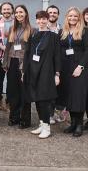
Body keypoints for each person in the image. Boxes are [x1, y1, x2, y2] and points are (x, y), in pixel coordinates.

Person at [23, 11, 61, 139]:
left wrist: (57, 74)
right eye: (39, 19)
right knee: (37, 99)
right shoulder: (33, 35)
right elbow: (27, 54)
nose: (41, 21)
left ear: (48, 20)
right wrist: (24, 71)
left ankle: (47, 127)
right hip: (33, 71)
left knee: (44, 100)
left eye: (44, 19)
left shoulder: (54, 37)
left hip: (46, 71)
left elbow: (57, 56)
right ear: (36, 21)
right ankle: (41, 123)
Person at [59, 7, 88, 137]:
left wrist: (80, 67)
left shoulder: (84, 31)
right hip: (65, 67)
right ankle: (72, 123)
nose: (72, 18)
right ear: (67, 17)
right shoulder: (63, 31)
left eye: (75, 16)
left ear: (79, 18)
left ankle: (79, 125)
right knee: (69, 95)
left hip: (79, 67)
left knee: (78, 95)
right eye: (70, 16)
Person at [3, 5, 32, 128]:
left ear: (26, 13)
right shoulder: (12, 29)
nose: (18, 14)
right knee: (12, 91)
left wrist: (26, 66)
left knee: (23, 92)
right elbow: (8, 47)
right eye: (17, 12)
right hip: (12, 62)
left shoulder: (32, 30)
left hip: (23, 63)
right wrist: (5, 63)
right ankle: (13, 117)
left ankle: (25, 119)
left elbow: (30, 50)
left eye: (21, 12)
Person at [0, 1, 14, 109]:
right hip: (0, 54)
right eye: (4, 9)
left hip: (13, 54)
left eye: (8, 9)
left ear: (12, 10)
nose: (6, 11)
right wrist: (1, 46)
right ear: (1, 11)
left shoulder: (17, 21)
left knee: (11, 80)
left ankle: (9, 101)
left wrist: (9, 49)